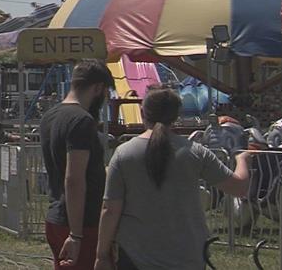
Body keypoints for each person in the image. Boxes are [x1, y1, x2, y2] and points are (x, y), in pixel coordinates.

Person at [94, 87, 250, 270]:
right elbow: (238, 187)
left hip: (136, 257)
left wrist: (101, 255)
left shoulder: (123, 154)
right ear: (176, 116)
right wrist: (242, 159)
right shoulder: (196, 152)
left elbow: (110, 210)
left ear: (142, 113)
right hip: (187, 256)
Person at [39, 60, 114, 270]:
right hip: (81, 222)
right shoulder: (81, 120)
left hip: (57, 216)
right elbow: (74, 178)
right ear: (98, 88)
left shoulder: (49, 117)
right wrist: (76, 234)